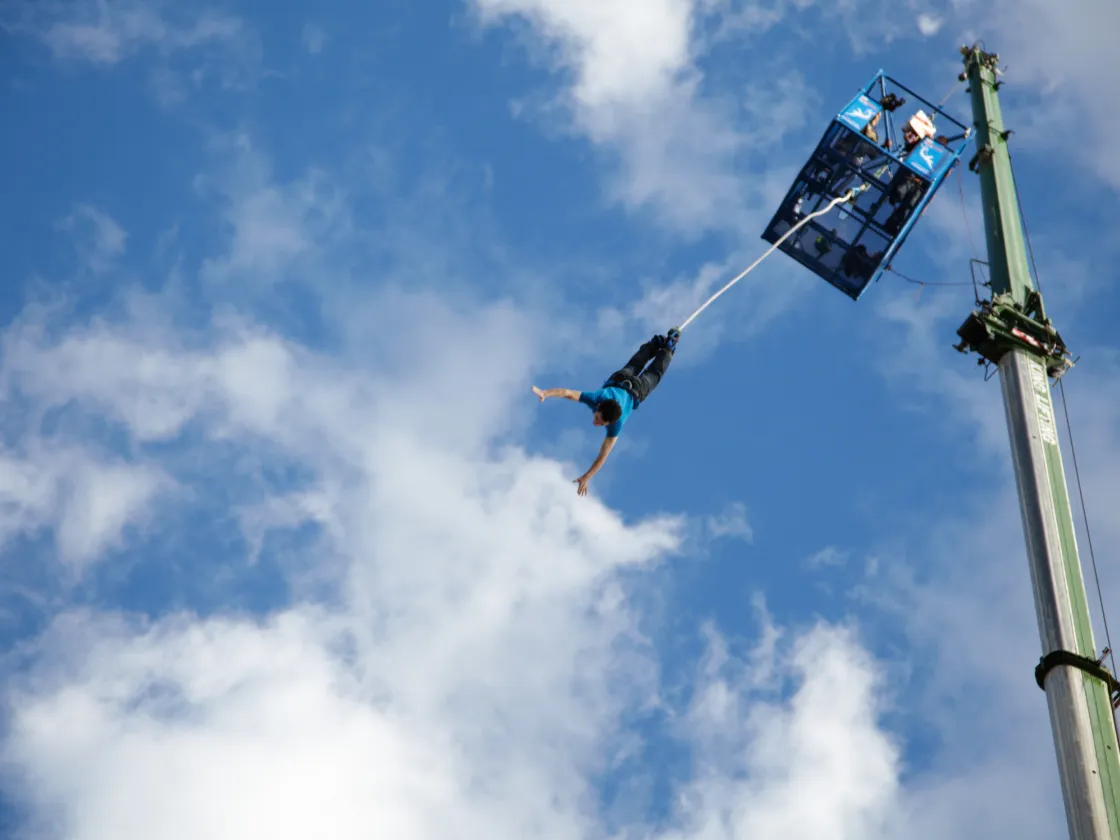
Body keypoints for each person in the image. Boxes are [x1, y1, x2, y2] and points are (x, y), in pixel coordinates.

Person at [532, 329, 680, 496]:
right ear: (600, 406)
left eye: (600, 422)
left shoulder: (617, 423)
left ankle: (663, 346)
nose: (596, 423)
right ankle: (664, 346)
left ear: (610, 423)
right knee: (650, 372)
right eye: (598, 418)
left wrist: (587, 476)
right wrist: (546, 393)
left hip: (626, 383)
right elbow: (567, 392)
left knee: (645, 367)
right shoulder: (598, 397)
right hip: (633, 387)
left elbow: (603, 454)